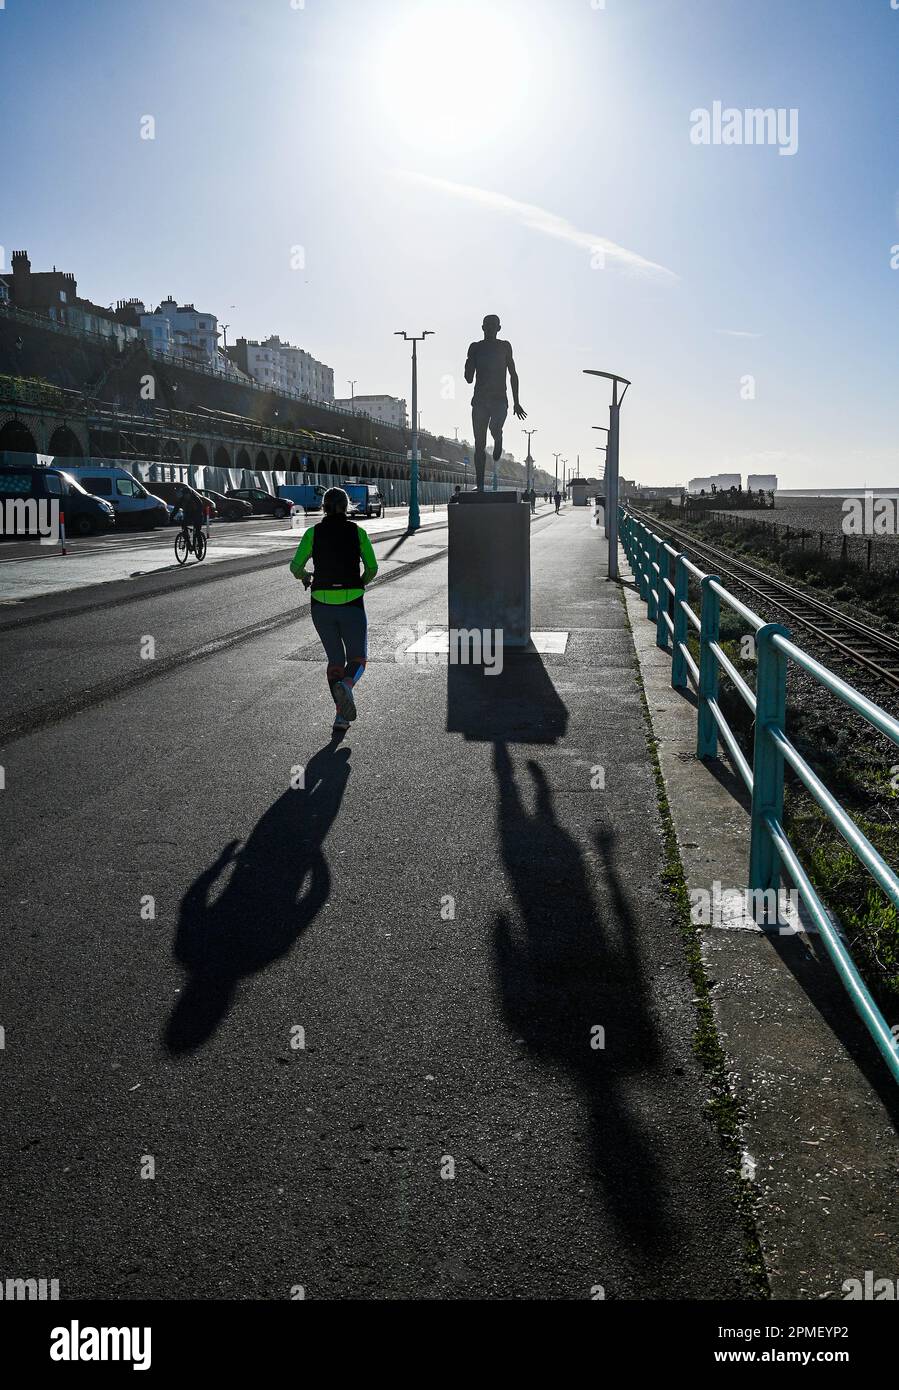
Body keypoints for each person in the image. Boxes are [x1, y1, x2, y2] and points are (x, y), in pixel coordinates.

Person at [289, 487, 378, 735]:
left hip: (321, 604)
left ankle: (341, 717)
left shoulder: (313, 533)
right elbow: (372, 567)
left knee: (335, 660)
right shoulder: (358, 532)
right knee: (358, 658)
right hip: (351, 602)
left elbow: (295, 566)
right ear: (347, 506)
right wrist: (360, 581)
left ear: (324, 507)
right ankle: (346, 690)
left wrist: (306, 576)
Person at [464, 314, 526, 492]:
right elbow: (468, 378)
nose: (490, 328)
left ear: (499, 328)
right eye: (487, 325)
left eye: (494, 325)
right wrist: (469, 364)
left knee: (494, 427)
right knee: (479, 444)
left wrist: (517, 402)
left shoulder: (504, 346)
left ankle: (498, 437)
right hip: (480, 400)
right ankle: (481, 485)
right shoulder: (475, 347)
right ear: (482, 327)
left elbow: (513, 374)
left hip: (500, 399)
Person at [172, 483, 206, 551]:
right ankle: (188, 543)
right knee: (184, 527)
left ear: (190, 494)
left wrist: (197, 517)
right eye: (184, 495)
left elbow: (200, 508)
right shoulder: (182, 500)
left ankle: (200, 547)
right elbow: (176, 509)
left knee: (197, 531)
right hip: (188, 515)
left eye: (187, 494)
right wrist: (171, 517)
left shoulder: (196, 499)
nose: (186, 496)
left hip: (197, 515)